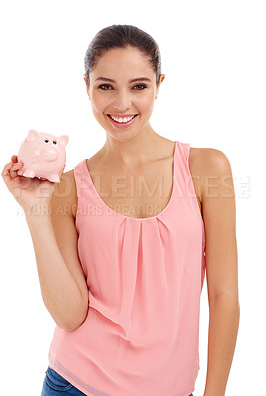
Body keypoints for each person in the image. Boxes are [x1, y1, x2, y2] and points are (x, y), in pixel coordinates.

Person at [1, 24, 240, 396]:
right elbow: (69, 314)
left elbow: (224, 295)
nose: (122, 103)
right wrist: (35, 211)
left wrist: (215, 392)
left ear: (159, 84)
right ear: (87, 87)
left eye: (139, 86)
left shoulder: (207, 169)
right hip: (77, 382)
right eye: (106, 86)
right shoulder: (66, 188)